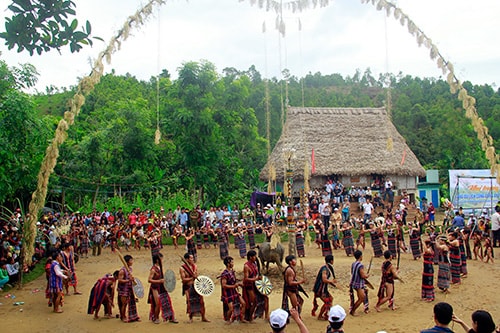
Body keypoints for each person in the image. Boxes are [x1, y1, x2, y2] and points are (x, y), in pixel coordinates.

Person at [179, 252, 210, 323]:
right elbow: (183, 280)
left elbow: (196, 276)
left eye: (193, 258)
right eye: (191, 258)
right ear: (187, 259)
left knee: (201, 302)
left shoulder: (195, 266)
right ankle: (190, 318)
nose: (193, 259)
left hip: (196, 285)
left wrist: (195, 277)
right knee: (189, 302)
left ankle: (203, 317)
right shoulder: (182, 268)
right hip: (188, 286)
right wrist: (191, 278)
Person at [148, 253, 178, 324]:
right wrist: (159, 281)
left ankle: (171, 317)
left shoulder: (160, 267)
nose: (162, 260)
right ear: (157, 260)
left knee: (167, 302)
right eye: (161, 258)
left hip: (162, 287)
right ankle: (156, 317)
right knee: (158, 303)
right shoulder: (153, 269)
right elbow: (149, 280)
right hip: (155, 288)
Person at [243, 250, 268, 321]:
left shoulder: (254, 264)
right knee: (253, 302)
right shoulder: (246, 266)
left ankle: (266, 316)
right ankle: (249, 317)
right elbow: (246, 279)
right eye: (254, 256)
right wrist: (255, 279)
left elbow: (256, 274)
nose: (255, 257)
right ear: (250, 257)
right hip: (249, 286)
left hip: (256, 285)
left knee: (265, 298)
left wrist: (259, 278)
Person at [220, 256, 247, 324]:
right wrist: (234, 286)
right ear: (228, 264)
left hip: (233, 291)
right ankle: (228, 319)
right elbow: (224, 285)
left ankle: (242, 318)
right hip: (228, 293)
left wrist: (239, 284)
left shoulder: (232, 271)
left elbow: (234, 281)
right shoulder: (224, 274)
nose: (233, 263)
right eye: (232, 262)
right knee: (231, 308)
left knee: (243, 303)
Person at [312, 254, 338, 320]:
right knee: (328, 302)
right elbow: (324, 279)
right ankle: (320, 316)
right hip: (320, 289)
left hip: (323, 288)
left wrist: (333, 284)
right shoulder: (325, 269)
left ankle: (327, 313)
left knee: (331, 299)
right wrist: (332, 281)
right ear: (331, 261)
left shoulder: (327, 267)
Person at [117, 254, 140, 323]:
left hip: (129, 288)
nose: (132, 261)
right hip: (124, 290)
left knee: (131, 302)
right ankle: (123, 316)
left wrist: (132, 280)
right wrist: (128, 280)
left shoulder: (130, 269)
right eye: (131, 260)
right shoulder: (122, 271)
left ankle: (134, 316)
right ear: (127, 262)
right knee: (124, 304)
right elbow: (120, 280)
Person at [348, 250, 370, 316]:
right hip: (358, 284)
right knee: (362, 298)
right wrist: (367, 275)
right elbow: (363, 275)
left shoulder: (353, 264)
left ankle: (356, 309)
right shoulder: (360, 265)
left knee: (361, 297)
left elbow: (352, 273)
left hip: (353, 282)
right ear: (360, 256)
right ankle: (353, 311)